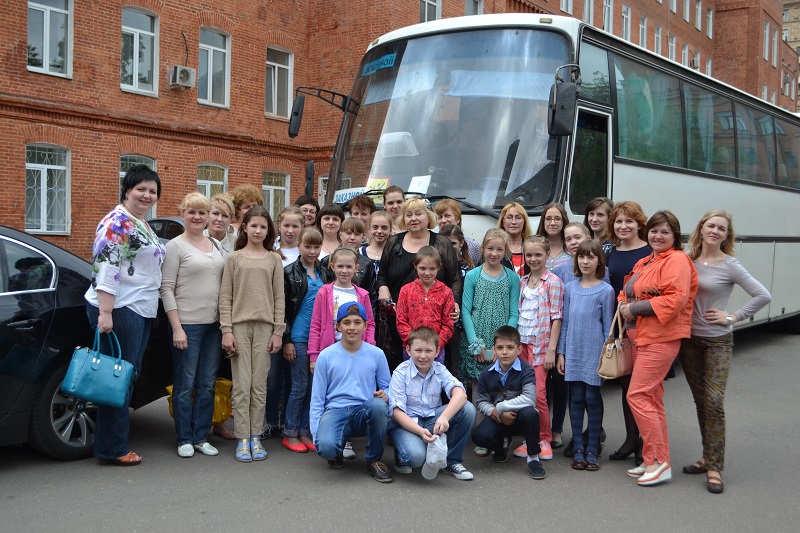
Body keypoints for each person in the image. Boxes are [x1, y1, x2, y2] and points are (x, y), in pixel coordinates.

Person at [678, 210, 771, 494]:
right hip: (689, 340)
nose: (715, 231)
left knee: (714, 402)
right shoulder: (687, 260)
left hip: (718, 341)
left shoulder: (730, 265)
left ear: (725, 235)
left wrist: (733, 317)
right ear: (702, 228)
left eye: (721, 228)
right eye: (711, 225)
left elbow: (763, 295)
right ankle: (707, 456)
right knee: (700, 402)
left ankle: (715, 467)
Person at [85, 164, 166, 465]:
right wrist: (105, 312)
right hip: (120, 308)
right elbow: (106, 267)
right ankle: (112, 447)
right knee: (117, 378)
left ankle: (113, 442)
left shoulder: (140, 221)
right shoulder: (116, 223)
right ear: (127, 190)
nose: (147, 195)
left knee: (126, 376)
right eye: (140, 189)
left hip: (139, 307)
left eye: (152, 191)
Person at [619, 210, 698, 486]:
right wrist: (623, 304)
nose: (658, 235)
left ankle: (659, 463)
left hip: (660, 337)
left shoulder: (677, 259)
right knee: (651, 398)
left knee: (638, 396)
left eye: (665, 231)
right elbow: (627, 290)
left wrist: (632, 308)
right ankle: (653, 459)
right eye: (654, 230)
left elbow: (675, 299)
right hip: (641, 336)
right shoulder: (647, 260)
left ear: (675, 236)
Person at [160, 192, 226, 458]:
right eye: (192, 212)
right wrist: (177, 327)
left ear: (209, 216)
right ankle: (184, 437)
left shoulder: (215, 244)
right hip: (187, 324)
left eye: (202, 212)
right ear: (183, 215)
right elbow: (166, 288)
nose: (197, 217)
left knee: (207, 383)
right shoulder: (174, 246)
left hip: (214, 325)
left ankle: (201, 435)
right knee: (185, 384)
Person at [219, 206, 285, 463]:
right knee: (241, 385)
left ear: (269, 231)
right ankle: (242, 438)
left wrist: (278, 332)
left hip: (265, 328)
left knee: (259, 385)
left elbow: (279, 298)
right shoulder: (234, 258)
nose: (258, 231)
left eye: (263, 227)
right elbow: (226, 297)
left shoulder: (273, 259)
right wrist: (226, 330)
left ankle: (256, 436)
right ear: (244, 227)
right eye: (253, 225)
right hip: (238, 327)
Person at [310, 303, 393, 483]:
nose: (352, 328)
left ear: (365, 325)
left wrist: (386, 395)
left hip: (364, 410)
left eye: (357, 322)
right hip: (335, 411)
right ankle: (335, 450)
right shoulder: (326, 356)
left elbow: (388, 386)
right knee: (326, 448)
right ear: (338, 326)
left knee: (379, 405)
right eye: (346, 323)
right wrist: (316, 433)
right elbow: (317, 398)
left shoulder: (376, 354)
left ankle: (373, 460)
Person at [377, 198, 462, 368]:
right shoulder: (394, 242)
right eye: (408, 215)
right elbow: (382, 275)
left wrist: (455, 303)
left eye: (418, 213)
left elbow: (455, 278)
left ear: (428, 216)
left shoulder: (442, 243)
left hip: (435, 326)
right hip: (400, 324)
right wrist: (383, 288)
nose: (413, 218)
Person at [460, 228, 520, 457]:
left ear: (505, 252)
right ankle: (480, 434)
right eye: (490, 248)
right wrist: (477, 344)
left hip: (500, 341)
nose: (494, 253)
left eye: (499, 249)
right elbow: (466, 311)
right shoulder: (473, 276)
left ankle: (500, 433)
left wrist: (500, 345)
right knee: (478, 388)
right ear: (483, 248)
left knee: (500, 388)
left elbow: (514, 312)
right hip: (478, 338)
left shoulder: (511, 278)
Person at [387, 326, 476, 480]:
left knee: (467, 409)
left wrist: (444, 417)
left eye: (428, 351)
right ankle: (402, 454)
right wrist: (420, 432)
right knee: (415, 458)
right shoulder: (400, 372)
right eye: (418, 350)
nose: (423, 356)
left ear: (437, 352)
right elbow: (396, 412)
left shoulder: (439, 369)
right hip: (407, 423)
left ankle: (451, 460)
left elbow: (460, 394)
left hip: (430, 420)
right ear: (408, 350)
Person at [556, 240, 614, 471]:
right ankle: (578, 447)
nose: (586, 261)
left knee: (592, 398)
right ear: (576, 261)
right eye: (582, 257)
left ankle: (592, 447)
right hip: (573, 351)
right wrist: (561, 353)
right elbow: (565, 322)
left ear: (599, 261)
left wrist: (605, 357)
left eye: (591, 257)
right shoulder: (570, 288)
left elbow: (608, 327)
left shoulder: (606, 290)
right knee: (576, 398)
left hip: (594, 353)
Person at [604, 201, 651, 464]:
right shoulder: (611, 252)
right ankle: (632, 439)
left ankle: (646, 442)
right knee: (626, 385)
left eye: (629, 221)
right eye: (619, 221)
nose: (623, 226)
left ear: (639, 224)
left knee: (642, 389)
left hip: (644, 327)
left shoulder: (650, 251)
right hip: (619, 326)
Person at [282, 228, 334, 453]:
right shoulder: (289, 272)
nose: (312, 251)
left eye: (316, 247)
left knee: (314, 388)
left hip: (321, 338)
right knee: (299, 386)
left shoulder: (325, 272)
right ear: (299, 246)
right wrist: (287, 339)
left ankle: (305, 430)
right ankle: (290, 432)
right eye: (308, 246)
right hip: (298, 337)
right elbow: (282, 308)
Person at [471, 326, 546, 480]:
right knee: (479, 436)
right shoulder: (487, 374)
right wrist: (495, 413)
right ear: (494, 350)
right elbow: (481, 401)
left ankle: (533, 458)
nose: (505, 352)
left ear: (519, 349)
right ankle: (501, 446)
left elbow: (530, 398)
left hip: (521, 417)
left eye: (510, 348)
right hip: (499, 418)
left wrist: (501, 406)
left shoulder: (526, 370)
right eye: (500, 348)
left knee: (531, 413)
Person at [513, 235, 563, 462]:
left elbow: (557, 317)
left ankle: (544, 439)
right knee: (525, 393)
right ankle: (530, 437)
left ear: (546, 255)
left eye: (538, 255)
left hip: (540, 346)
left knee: (539, 393)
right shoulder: (522, 281)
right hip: (521, 343)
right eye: (529, 255)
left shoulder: (553, 282)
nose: (533, 259)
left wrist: (552, 349)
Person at [263, 207, 304, 439]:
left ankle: (290, 422)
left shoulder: (306, 254)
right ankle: (270, 420)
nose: (290, 230)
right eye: (286, 225)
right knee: (273, 376)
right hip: (274, 323)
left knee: (293, 379)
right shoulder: (271, 253)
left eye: (295, 226)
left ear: (302, 227)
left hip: (298, 327)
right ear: (279, 226)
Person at [203, 193, 237, 441]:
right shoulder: (196, 240)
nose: (219, 219)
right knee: (203, 372)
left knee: (224, 373)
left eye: (225, 215)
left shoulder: (236, 243)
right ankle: (201, 422)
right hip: (202, 314)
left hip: (229, 316)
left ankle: (220, 421)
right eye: (215, 213)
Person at [395, 246, 456, 363]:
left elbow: (448, 324)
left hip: (436, 350)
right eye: (422, 268)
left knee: (435, 379)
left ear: (439, 267)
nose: (427, 273)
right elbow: (401, 320)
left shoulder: (446, 292)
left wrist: (438, 344)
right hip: (412, 349)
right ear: (415, 266)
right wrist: (412, 343)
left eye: (432, 268)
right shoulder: (406, 290)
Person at [434, 198, 480, 264]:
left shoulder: (473, 246)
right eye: (440, 217)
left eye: (447, 216)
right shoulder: (432, 243)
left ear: (458, 219)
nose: (443, 220)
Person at [497, 202, 533, 276]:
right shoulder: (494, 249)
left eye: (518, 217)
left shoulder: (532, 248)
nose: (513, 222)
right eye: (509, 217)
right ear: (502, 222)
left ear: (524, 222)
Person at [536, 203, 571, 272]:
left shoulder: (571, 249)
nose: (552, 223)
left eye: (557, 219)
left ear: (563, 221)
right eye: (548, 219)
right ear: (543, 222)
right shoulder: (535, 248)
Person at [361, 210, 392, 276]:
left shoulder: (395, 254)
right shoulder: (360, 253)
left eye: (384, 228)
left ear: (390, 230)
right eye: (375, 227)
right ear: (369, 229)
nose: (379, 231)